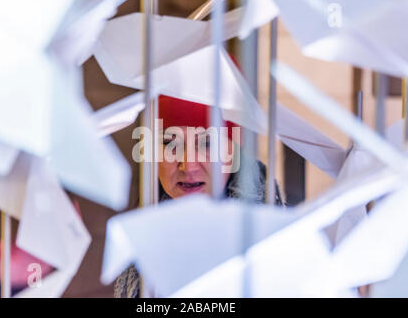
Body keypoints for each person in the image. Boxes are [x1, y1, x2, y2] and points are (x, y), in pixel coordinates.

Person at [114, 95, 283, 298]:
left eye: (207, 144)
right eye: (169, 144)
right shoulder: (140, 232)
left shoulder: (270, 247)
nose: (188, 165)